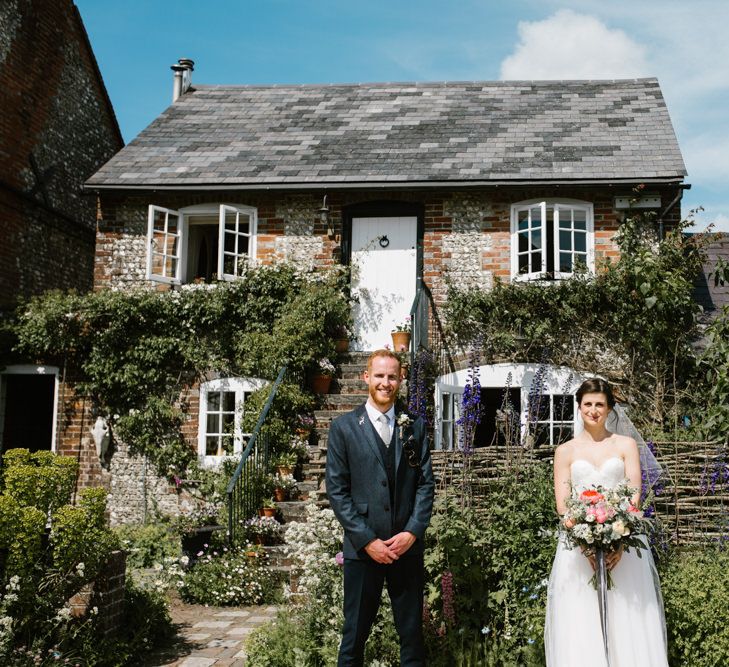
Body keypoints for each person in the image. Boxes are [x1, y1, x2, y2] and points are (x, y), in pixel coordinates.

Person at [544, 378, 668, 667]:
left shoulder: (625, 445)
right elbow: (563, 506)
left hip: (623, 547)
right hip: (577, 550)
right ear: (579, 408)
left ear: (610, 408)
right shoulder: (565, 451)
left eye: (600, 404)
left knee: (628, 618)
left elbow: (634, 498)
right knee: (581, 621)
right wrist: (585, 545)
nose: (593, 410)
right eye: (587, 404)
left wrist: (619, 542)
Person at [326, 349, 435, 667]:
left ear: (400, 379)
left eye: (392, 376)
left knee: (412, 639)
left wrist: (412, 532)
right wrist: (368, 540)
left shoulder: (413, 425)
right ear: (366, 378)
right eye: (379, 376)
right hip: (363, 551)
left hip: (406, 549)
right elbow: (337, 491)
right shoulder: (344, 428)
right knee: (353, 638)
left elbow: (425, 484)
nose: (385, 382)